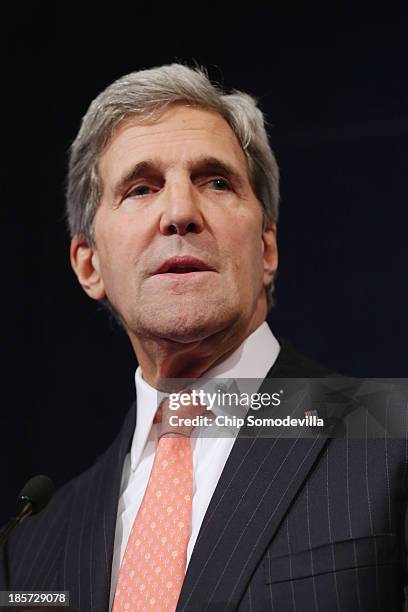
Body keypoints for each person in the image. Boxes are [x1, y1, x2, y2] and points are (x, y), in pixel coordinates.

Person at [1, 64, 406, 611]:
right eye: (141, 188)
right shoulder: (32, 543)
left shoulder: (392, 436)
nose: (180, 213)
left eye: (216, 181)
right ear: (89, 263)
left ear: (267, 248)